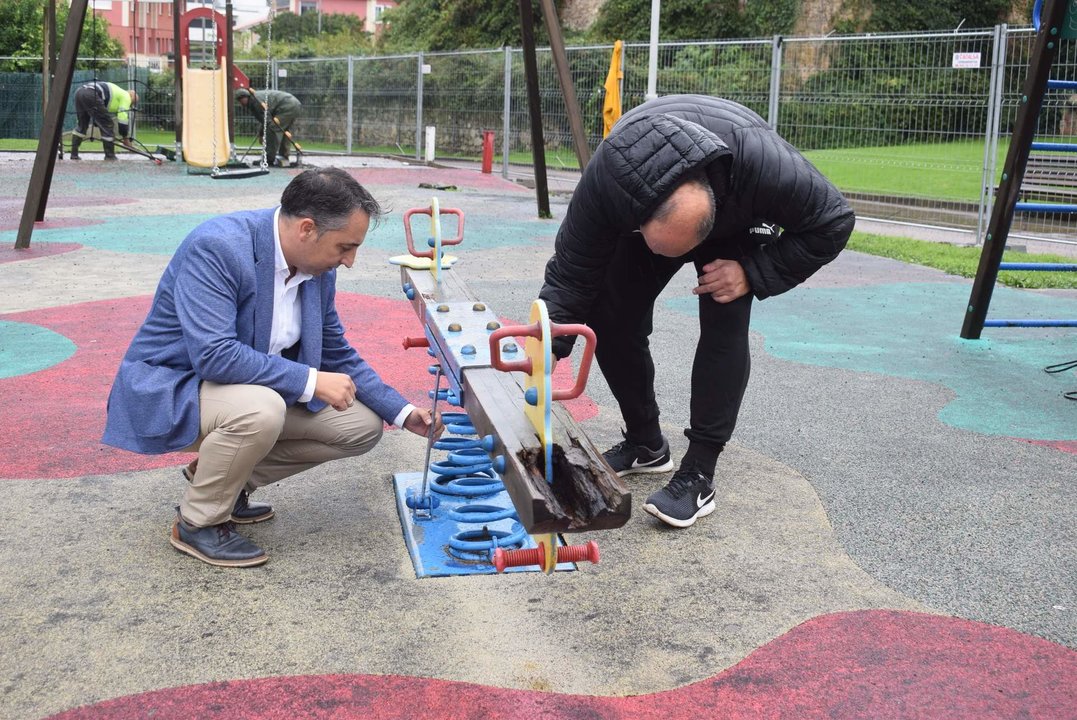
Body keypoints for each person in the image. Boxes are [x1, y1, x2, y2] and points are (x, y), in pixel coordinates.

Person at [538, 95, 855, 529]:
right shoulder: (610, 178)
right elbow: (574, 269)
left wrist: (751, 270)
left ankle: (700, 472)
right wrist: (551, 343)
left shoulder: (767, 169)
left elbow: (835, 221)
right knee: (611, 313)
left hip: (738, 206)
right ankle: (647, 444)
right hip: (656, 199)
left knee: (725, 316)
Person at [102, 167, 441, 567]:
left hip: (246, 391)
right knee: (261, 410)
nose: (349, 261)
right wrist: (310, 380)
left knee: (359, 426)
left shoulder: (317, 268)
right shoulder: (218, 248)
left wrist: (401, 412)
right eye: (345, 247)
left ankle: (225, 482)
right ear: (307, 229)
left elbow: (336, 351)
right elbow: (213, 354)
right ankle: (198, 522)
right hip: (176, 385)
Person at [70, 81, 138, 161]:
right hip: (92, 93)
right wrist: (125, 138)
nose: (131, 106)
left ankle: (74, 154)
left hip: (80, 92)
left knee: (82, 125)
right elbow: (122, 118)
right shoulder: (126, 97)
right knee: (108, 124)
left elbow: (100, 112)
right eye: (132, 104)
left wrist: (98, 122)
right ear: (132, 99)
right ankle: (110, 156)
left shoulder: (117, 93)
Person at [235, 87, 302, 167]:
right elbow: (264, 120)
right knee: (284, 131)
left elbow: (267, 121)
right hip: (293, 104)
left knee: (272, 129)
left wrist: (262, 134)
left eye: (241, 99)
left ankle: (268, 159)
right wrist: (261, 133)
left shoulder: (256, 102)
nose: (240, 103)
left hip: (287, 105)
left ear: (246, 96)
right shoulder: (254, 99)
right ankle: (283, 156)